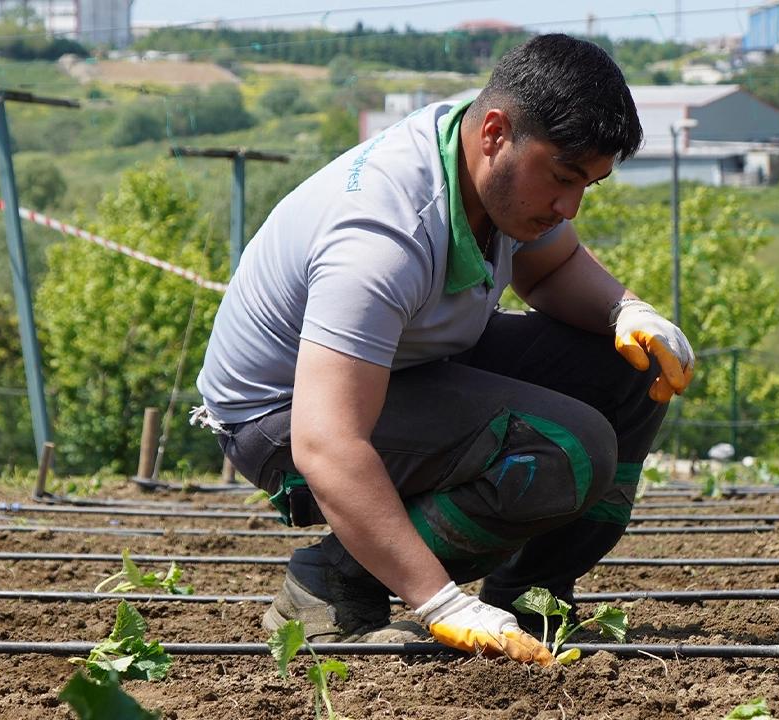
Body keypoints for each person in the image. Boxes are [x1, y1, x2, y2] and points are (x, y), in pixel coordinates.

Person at [191, 33, 694, 666]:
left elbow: (549, 270)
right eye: (563, 179)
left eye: (587, 185)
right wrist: (439, 602)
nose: (569, 206)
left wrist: (627, 310)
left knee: (624, 371)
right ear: (495, 132)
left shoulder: (484, 160)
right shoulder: (381, 237)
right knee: (567, 446)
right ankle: (336, 584)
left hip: (404, 366)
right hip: (284, 419)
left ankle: (529, 602)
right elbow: (328, 442)